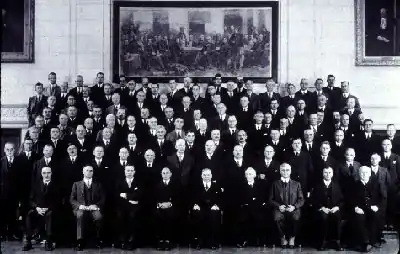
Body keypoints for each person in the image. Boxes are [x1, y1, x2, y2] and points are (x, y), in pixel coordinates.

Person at [22, 167, 60, 251]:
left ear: (51, 173)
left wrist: (47, 208)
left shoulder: (56, 185)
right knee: (29, 214)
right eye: (44, 173)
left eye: (48, 173)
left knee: (50, 215)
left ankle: (48, 241)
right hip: (37, 209)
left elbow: (58, 201)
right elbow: (30, 199)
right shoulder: (36, 185)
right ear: (41, 174)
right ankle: (28, 241)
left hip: (50, 210)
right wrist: (37, 208)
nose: (46, 175)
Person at [70, 165, 105, 251]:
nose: (89, 172)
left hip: (93, 208)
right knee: (80, 216)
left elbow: (103, 198)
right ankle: (79, 241)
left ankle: (97, 239)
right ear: (83, 172)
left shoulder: (98, 184)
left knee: (98, 217)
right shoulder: (76, 184)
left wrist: (96, 205)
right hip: (81, 208)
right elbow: (72, 199)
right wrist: (79, 206)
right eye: (87, 170)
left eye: (91, 171)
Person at [269, 163, 304, 248]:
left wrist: (294, 207)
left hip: (293, 208)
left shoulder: (297, 184)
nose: (285, 172)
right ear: (280, 171)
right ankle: (282, 237)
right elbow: (270, 199)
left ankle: (292, 237)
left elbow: (301, 199)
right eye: (283, 170)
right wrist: (278, 206)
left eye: (287, 170)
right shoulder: (275, 184)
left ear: (290, 171)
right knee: (276, 217)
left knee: (296, 217)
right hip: (280, 209)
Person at [352, 166, 387, 252]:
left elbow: (383, 198)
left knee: (375, 217)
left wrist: (378, 207)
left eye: (366, 172)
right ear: (359, 174)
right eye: (362, 172)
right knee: (359, 218)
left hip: (373, 207)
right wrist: (355, 207)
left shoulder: (377, 184)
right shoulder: (354, 185)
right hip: (360, 208)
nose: (364, 174)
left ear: (370, 174)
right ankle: (365, 241)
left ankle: (372, 241)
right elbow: (350, 198)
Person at [310, 167, 344, 251]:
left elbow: (342, 200)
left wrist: (337, 207)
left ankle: (337, 241)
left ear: (332, 174)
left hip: (334, 209)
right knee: (323, 217)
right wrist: (321, 208)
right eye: (325, 172)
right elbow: (312, 200)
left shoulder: (337, 186)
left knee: (337, 218)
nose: (328, 174)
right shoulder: (317, 186)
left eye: (329, 172)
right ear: (322, 174)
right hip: (322, 209)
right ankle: (323, 241)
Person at [190, 168, 223, 250]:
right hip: (200, 208)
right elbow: (191, 197)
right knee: (197, 215)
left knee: (214, 216)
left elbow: (221, 199)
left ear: (211, 176)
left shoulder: (216, 186)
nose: (206, 176)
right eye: (204, 175)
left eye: (208, 175)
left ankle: (212, 242)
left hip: (212, 208)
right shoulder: (196, 186)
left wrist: (217, 205)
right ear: (201, 176)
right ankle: (199, 242)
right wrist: (194, 204)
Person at [114, 165, 141, 250]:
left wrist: (126, 195)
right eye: (128, 170)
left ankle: (131, 240)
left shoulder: (139, 182)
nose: (129, 172)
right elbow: (116, 195)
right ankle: (122, 240)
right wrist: (132, 197)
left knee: (132, 216)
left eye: (131, 170)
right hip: (122, 205)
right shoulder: (119, 182)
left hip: (135, 206)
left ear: (134, 172)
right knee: (120, 216)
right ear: (125, 172)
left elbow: (140, 194)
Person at [154, 167, 179, 250]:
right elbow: (153, 198)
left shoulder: (176, 184)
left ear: (170, 174)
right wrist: (159, 204)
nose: (165, 175)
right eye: (163, 173)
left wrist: (170, 203)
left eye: (167, 173)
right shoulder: (157, 184)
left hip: (172, 206)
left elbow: (179, 198)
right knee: (158, 215)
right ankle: (160, 240)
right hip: (160, 206)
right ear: (161, 174)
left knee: (170, 215)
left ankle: (168, 240)